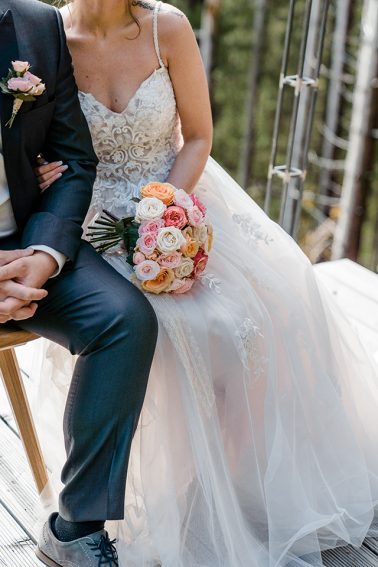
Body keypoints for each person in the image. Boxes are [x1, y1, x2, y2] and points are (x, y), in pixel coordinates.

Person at [34, 1, 378, 566]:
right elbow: (31, 141)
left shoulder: (165, 27)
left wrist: (165, 208)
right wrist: (42, 169)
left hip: (175, 200)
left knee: (264, 313)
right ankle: (137, 502)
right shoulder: (44, 35)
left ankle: (231, 488)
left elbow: (197, 135)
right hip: (86, 221)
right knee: (162, 331)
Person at [0, 1, 158, 566]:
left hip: (24, 244)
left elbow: (72, 156)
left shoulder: (36, 25)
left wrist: (43, 256)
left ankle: (76, 528)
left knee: (125, 319)